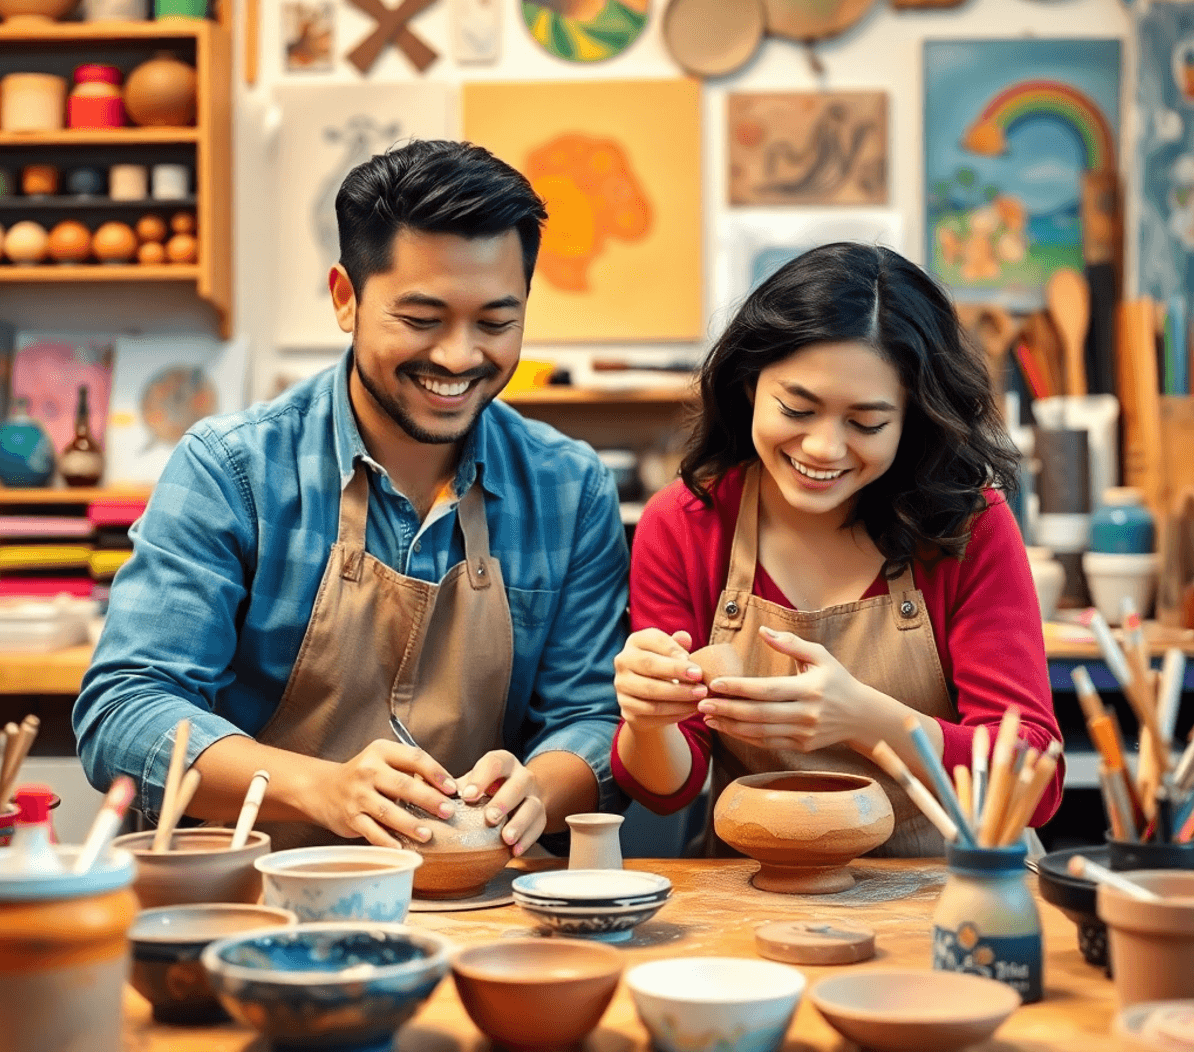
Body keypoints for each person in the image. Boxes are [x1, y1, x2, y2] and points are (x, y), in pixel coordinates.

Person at [75, 140, 629, 854]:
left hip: (481, 896)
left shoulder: (569, 487)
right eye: (422, 320)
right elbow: (124, 711)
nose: (459, 357)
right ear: (346, 298)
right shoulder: (233, 470)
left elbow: (592, 718)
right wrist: (322, 788)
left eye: (496, 322)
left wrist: (539, 788)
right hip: (254, 892)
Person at [611, 243, 1063, 855]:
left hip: (958, 884)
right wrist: (647, 718)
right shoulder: (687, 523)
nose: (823, 448)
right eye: (797, 408)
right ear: (749, 385)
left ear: (912, 418)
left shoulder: (967, 525)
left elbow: (1034, 778)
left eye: (866, 423)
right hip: (758, 887)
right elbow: (668, 789)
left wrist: (867, 721)